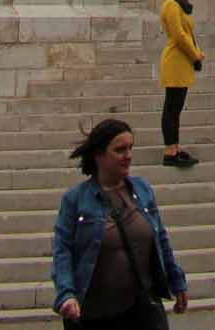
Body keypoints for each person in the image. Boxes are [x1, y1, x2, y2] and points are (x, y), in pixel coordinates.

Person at [51, 115, 188, 323]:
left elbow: (160, 238)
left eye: (130, 148)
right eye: (120, 150)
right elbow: (62, 251)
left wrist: (177, 282)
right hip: (94, 315)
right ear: (99, 154)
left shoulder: (142, 190)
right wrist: (67, 294)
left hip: (142, 309)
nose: (128, 155)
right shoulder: (76, 199)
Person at [157, 0, 202, 168]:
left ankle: (175, 147)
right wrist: (195, 54)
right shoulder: (171, 5)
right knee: (172, 108)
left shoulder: (178, 4)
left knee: (176, 108)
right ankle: (170, 150)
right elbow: (179, 35)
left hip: (181, 60)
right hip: (176, 59)